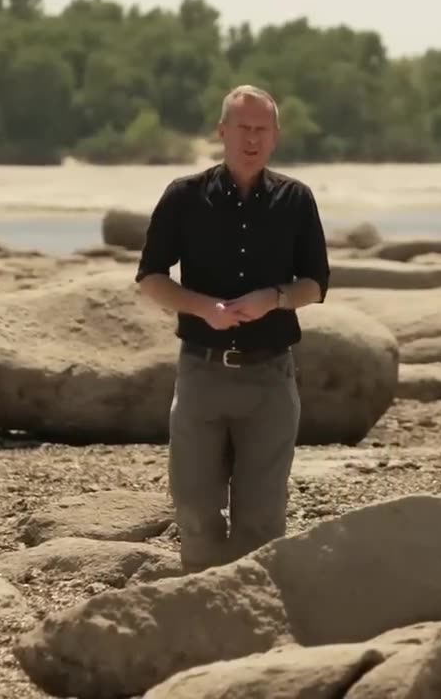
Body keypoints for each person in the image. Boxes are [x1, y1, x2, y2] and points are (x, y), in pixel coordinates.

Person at [134, 85, 331, 572]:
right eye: (242, 128)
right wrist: (203, 308)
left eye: (261, 129)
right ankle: (203, 612)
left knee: (262, 518)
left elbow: (316, 284)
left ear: (275, 136)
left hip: (271, 380)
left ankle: (257, 620)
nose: (252, 138)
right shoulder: (184, 196)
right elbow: (151, 279)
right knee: (196, 509)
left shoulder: (296, 200)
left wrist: (275, 299)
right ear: (222, 132)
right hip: (202, 375)